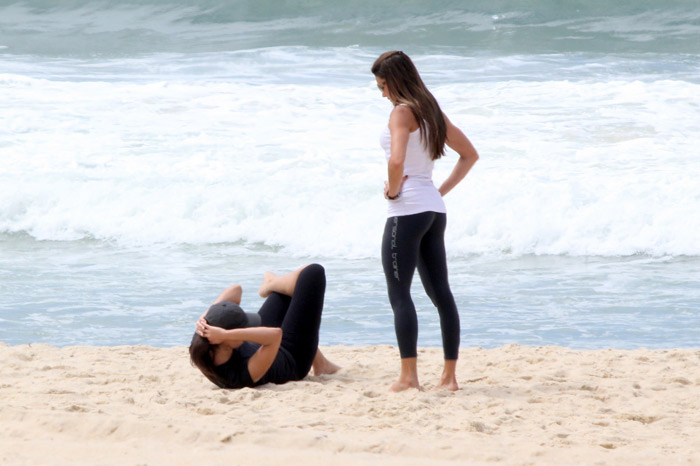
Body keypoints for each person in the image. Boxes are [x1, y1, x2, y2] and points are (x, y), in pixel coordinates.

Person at [371, 50, 479, 392]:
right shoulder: (432, 112)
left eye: (383, 85)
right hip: (433, 211)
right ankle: (449, 378)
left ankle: (408, 378)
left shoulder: (401, 113)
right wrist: (438, 192)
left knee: (399, 294)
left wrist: (391, 191)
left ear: (394, 82)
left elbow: (396, 160)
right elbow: (470, 155)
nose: (382, 93)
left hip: (406, 212)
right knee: (441, 294)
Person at [190, 264, 339, 389]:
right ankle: (272, 283)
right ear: (226, 337)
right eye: (243, 328)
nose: (247, 328)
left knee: (283, 294)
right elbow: (275, 335)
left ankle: (272, 284)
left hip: (258, 342)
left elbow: (236, 290)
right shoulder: (238, 376)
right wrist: (226, 334)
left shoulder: (204, 339)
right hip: (292, 356)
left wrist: (206, 316)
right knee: (313, 273)